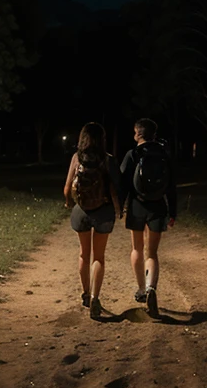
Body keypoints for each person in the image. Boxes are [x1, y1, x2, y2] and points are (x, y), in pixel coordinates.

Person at [63, 122, 121, 319]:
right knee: (99, 257)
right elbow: (117, 188)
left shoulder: (76, 158)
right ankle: (96, 297)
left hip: (81, 212)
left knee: (83, 254)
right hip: (103, 212)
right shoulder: (108, 160)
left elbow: (66, 189)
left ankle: (86, 294)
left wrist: (69, 202)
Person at [119, 118, 176, 318]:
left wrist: (120, 206)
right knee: (152, 253)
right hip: (158, 205)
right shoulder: (163, 154)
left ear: (138, 134)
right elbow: (171, 185)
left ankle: (141, 290)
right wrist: (173, 212)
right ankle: (152, 287)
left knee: (137, 248)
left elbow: (123, 183)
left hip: (137, 206)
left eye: (135, 132)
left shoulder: (132, 154)